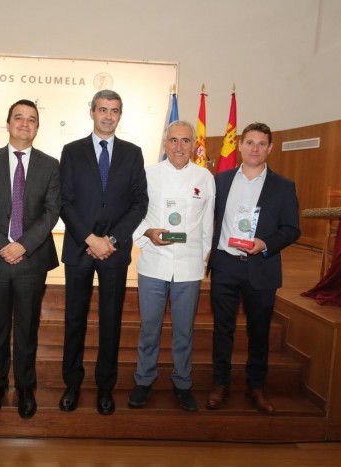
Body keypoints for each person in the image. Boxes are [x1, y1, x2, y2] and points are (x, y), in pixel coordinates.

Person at [59, 90, 148, 415]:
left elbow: (140, 202)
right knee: (74, 320)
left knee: (111, 321)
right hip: (80, 248)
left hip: (115, 250)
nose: (108, 116)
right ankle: (72, 383)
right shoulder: (71, 151)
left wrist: (112, 239)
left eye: (114, 111)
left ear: (120, 115)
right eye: (102, 110)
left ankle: (105, 387)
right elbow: (64, 201)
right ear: (91, 112)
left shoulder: (132, 153)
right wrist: (88, 238)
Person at [0, 99, 60, 419]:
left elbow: (52, 212)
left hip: (31, 260)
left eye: (31, 119)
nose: (25, 123)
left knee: (27, 327)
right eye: (18, 118)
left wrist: (22, 245)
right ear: (8, 123)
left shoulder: (50, 165)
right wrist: (1, 245)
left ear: (38, 127)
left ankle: (25, 387)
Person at [206, 122, 300, 414]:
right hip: (225, 265)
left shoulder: (283, 186)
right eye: (250, 143)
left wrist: (266, 243)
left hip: (261, 266)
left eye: (261, 144)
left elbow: (292, 229)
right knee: (223, 330)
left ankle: (256, 387)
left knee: (259, 332)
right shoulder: (219, 181)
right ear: (239, 145)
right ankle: (221, 384)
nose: (255, 149)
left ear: (270, 148)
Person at [128, 120, 214, 412]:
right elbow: (134, 213)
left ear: (193, 145)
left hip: (188, 268)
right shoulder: (148, 175)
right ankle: (144, 380)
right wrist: (146, 235)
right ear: (164, 144)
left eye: (186, 141)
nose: (179, 147)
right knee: (149, 328)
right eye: (174, 140)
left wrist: (202, 258)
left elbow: (207, 225)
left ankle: (182, 383)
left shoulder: (205, 177)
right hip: (153, 263)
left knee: (184, 331)